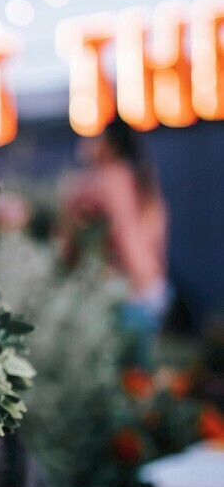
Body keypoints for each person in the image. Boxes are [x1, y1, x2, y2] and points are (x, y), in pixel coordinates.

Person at [61, 118, 169, 368]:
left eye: (94, 137)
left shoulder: (110, 178)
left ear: (109, 145)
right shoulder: (142, 179)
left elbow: (124, 234)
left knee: (125, 379)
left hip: (131, 293)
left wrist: (136, 279)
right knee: (141, 377)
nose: (87, 143)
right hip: (155, 287)